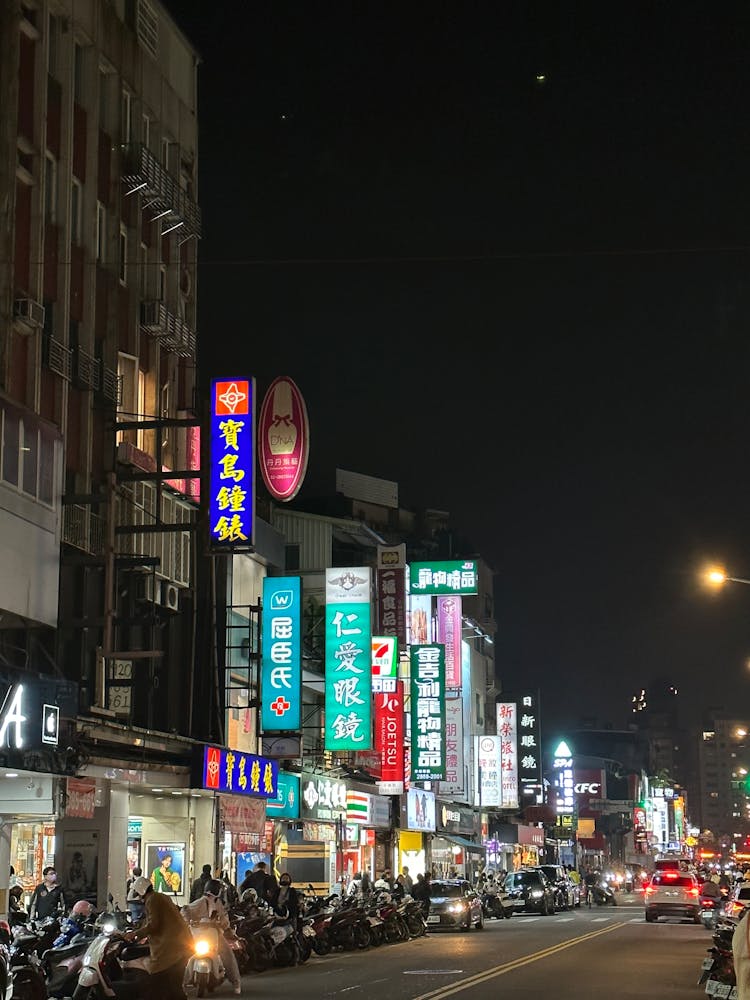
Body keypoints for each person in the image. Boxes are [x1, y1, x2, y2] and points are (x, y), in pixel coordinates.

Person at [126, 875, 195, 1000]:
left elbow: (153, 924)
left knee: (163, 983)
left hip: (171, 949)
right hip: (181, 945)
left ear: (141, 891)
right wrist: (139, 929)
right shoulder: (160, 896)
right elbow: (152, 920)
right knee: (172, 986)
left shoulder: (152, 900)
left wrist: (135, 934)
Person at [180, 878, 241, 995]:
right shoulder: (200, 902)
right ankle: (182, 983)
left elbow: (224, 918)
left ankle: (236, 982)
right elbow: (185, 910)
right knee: (183, 953)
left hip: (214, 934)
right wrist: (189, 921)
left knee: (227, 953)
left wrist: (224, 925)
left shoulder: (218, 904)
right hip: (198, 934)